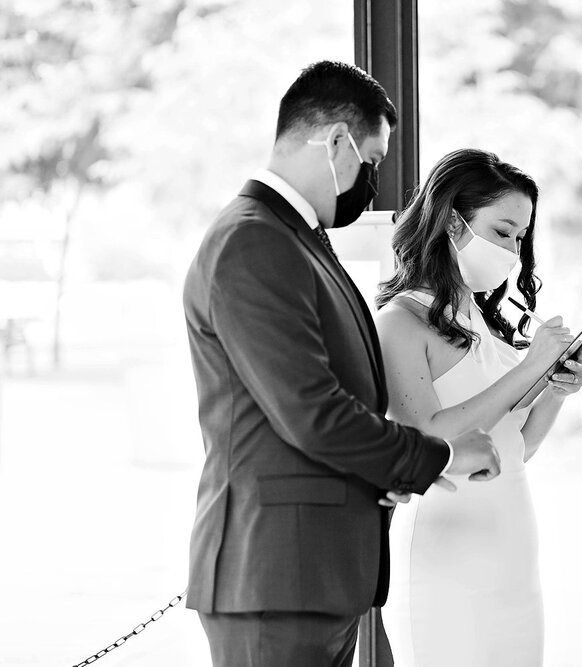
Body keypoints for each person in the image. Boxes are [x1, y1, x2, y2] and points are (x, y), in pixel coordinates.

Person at [182, 62, 501, 667]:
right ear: (335, 142)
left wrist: (377, 473)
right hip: (275, 577)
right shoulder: (253, 241)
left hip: (312, 573)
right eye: (372, 161)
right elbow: (313, 414)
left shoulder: (294, 237)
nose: (373, 183)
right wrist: (445, 454)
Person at [375, 149, 582, 667]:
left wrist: (555, 389)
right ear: (452, 221)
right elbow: (427, 437)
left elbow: (518, 447)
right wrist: (526, 368)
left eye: (521, 238)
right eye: (502, 232)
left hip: (512, 554)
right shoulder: (399, 322)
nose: (514, 251)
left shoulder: (484, 323)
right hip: (443, 558)